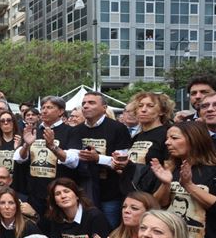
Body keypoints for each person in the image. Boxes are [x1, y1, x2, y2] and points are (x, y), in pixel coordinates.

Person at [151, 120, 216, 238]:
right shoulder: (171, 168)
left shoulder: (214, 169)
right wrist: (166, 184)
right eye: (167, 138)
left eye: (174, 138)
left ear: (194, 139)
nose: (167, 142)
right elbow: (155, 206)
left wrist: (189, 186)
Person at [74, 92, 132, 228]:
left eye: (91, 103)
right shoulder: (76, 130)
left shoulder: (118, 128)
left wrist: (97, 158)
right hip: (83, 191)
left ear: (104, 107)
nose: (86, 106)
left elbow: (123, 162)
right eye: (84, 103)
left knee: (109, 231)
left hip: (110, 192)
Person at [14, 96, 80, 216]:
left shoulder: (71, 131)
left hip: (60, 194)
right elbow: (19, 159)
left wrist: (53, 147)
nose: (44, 111)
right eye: (43, 108)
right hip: (35, 192)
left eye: (49, 107)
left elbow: (73, 161)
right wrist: (26, 146)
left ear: (60, 111)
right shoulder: (34, 131)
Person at [113, 92, 173, 194]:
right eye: (140, 106)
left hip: (153, 193)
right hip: (131, 192)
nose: (143, 110)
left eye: (150, 106)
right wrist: (119, 164)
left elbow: (170, 167)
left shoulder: (167, 134)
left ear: (162, 111)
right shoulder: (137, 136)